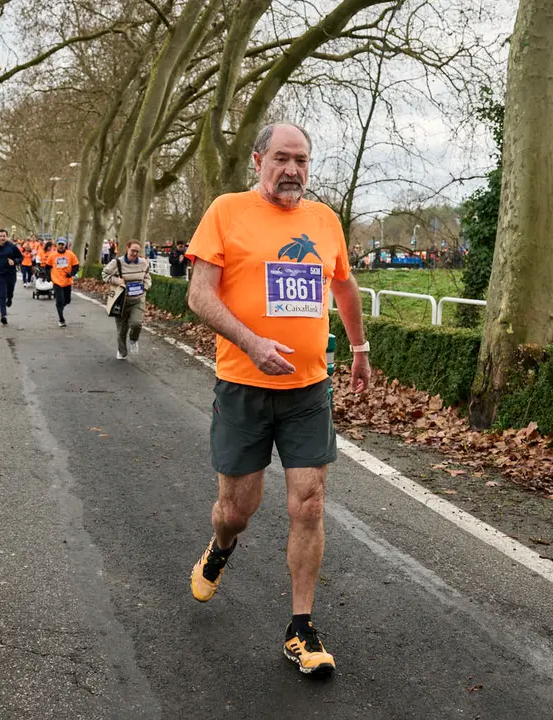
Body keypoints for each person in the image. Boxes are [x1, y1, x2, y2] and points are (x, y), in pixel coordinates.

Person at [184, 122, 370, 677]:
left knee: (308, 502)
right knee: (237, 512)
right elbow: (199, 293)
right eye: (282, 158)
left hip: (308, 388)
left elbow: (344, 285)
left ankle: (301, 628)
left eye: (303, 160)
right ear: (259, 160)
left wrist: (359, 346)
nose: (293, 169)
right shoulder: (226, 211)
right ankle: (219, 548)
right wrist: (251, 341)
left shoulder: (324, 221)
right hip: (243, 386)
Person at [102, 240, 153, 360]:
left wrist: (145, 288)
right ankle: (122, 350)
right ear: (127, 248)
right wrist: (117, 281)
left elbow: (147, 277)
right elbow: (104, 274)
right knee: (122, 329)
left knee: (136, 324)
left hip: (138, 299)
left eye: (137, 251)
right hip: (121, 300)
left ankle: (133, 340)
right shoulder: (117, 262)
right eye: (133, 251)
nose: (135, 253)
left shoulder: (143, 263)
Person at [0, 229, 23, 324]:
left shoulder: (12, 247)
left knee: (9, 293)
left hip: (11, 274)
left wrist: (15, 262)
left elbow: (20, 257)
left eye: (4, 236)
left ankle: (9, 298)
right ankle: (3, 315)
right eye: (1, 236)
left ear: (7, 237)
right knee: (2, 295)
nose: (2, 238)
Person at [49, 238, 79, 327]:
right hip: (57, 281)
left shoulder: (70, 254)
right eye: (59, 244)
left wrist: (71, 274)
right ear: (57, 245)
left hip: (67, 282)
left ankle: (61, 306)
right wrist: (48, 276)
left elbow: (76, 266)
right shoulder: (53, 255)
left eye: (62, 244)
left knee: (67, 300)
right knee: (59, 301)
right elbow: (47, 266)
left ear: (65, 245)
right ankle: (61, 319)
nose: (61, 246)